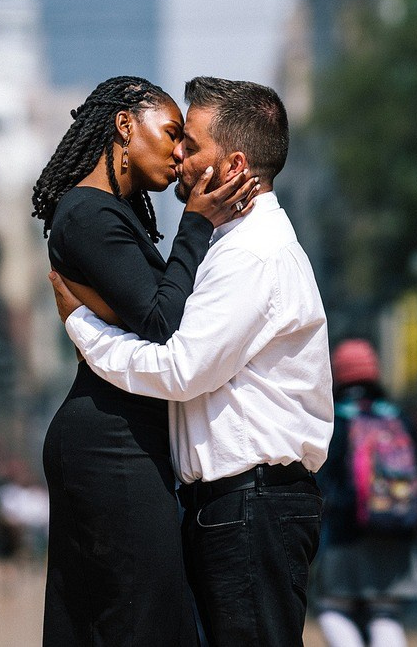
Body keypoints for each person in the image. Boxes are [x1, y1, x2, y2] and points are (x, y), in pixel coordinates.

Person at [52, 76, 332, 647]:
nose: (178, 154)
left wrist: (84, 327)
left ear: (233, 166)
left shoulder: (251, 255)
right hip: (233, 504)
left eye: (191, 143)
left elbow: (180, 369)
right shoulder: (231, 247)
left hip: (252, 502)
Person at [34, 73, 254, 647]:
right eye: (173, 133)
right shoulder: (87, 213)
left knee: (130, 622)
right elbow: (161, 322)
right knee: (147, 624)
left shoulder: (110, 215)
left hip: (126, 437)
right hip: (111, 443)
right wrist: (198, 223)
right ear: (125, 125)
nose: (180, 153)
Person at [313, 339, 417, 647]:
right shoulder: (398, 417)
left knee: (333, 608)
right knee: (385, 612)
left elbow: (324, 478)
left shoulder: (336, 418)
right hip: (398, 530)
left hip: (346, 530)